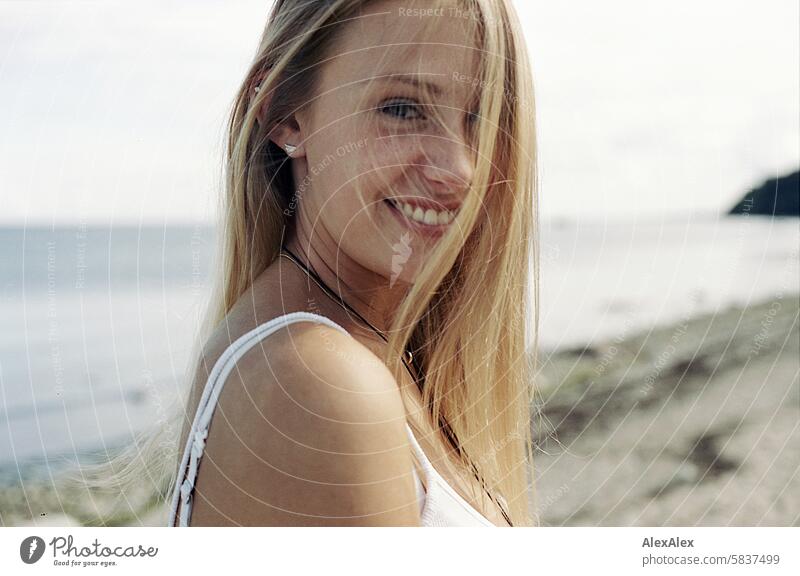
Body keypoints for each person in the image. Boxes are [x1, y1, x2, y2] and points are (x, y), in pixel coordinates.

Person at [89, 0, 540, 527]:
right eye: (402, 108)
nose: (459, 169)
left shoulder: (363, 356)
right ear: (285, 113)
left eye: (480, 120)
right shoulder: (316, 385)